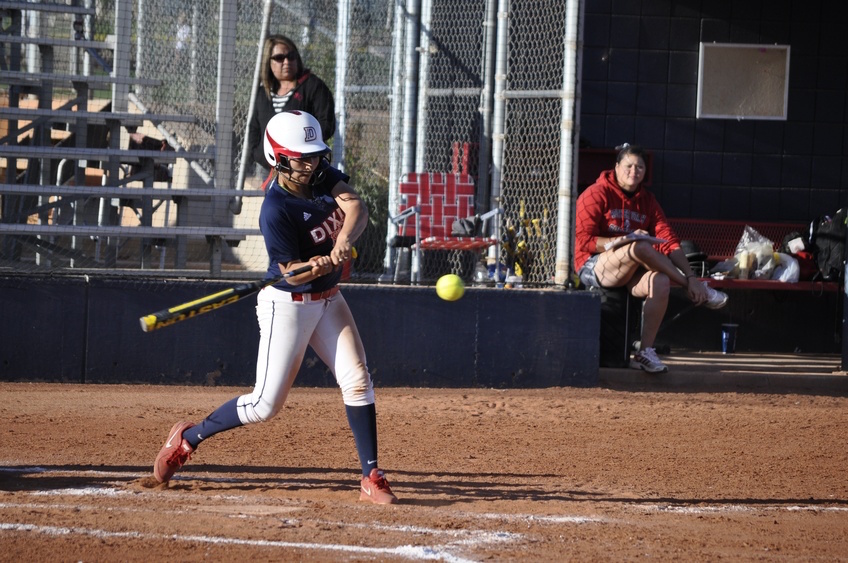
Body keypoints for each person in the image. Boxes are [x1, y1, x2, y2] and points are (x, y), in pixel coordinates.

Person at [153, 110, 397, 505]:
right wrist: (309, 265)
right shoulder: (276, 209)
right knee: (265, 405)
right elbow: (290, 274)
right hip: (289, 303)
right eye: (301, 157)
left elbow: (357, 208)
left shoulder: (321, 176)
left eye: (314, 154)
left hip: (330, 298)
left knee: (357, 379)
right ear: (278, 158)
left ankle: (371, 473)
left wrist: (340, 244)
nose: (311, 162)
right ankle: (189, 437)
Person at [574, 143, 728, 374]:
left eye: (639, 167)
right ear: (616, 167)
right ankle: (696, 290)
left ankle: (645, 352)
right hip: (593, 266)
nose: (633, 171)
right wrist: (623, 241)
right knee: (641, 246)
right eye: (628, 166)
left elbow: (668, 240)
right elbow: (584, 240)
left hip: (629, 269)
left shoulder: (647, 201)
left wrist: (692, 275)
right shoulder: (596, 194)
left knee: (660, 281)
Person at [247, 35, 335, 177]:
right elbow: (254, 129)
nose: (287, 62)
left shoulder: (313, 86)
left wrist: (303, 152)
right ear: (268, 62)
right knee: (275, 200)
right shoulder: (262, 93)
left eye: (291, 56)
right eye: (279, 58)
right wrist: (262, 156)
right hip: (269, 168)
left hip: (304, 169)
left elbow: (327, 124)